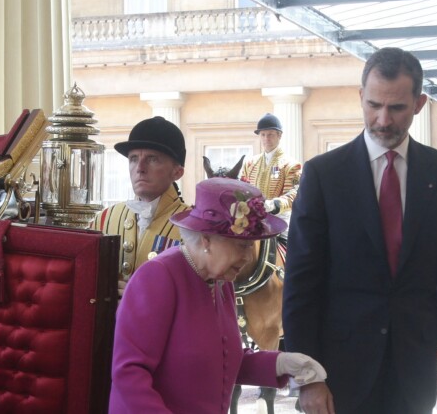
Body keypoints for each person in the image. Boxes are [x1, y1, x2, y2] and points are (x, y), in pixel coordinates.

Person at [283, 47, 437, 414]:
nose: (383, 119)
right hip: (338, 374)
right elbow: (301, 285)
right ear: (360, 97)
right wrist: (309, 377)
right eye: (373, 105)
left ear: (419, 103)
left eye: (397, 108)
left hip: (414, 371)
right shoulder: (324, 175)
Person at [109, 177, 327, 413]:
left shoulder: (221, 282)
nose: (247, 257)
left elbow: (221, 361)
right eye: (241, 246)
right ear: (206, 240)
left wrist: (281, 363)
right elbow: (129, 375)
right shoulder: (157, 277)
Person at [93, 116, 191, 297]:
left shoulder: (193, 225)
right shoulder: (104, 218)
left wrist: (143, 297)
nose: (140, 167)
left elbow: (201, 297)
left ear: (177, 172)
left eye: (152, 159)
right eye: (133, 159)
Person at [240, 113, 301, 223]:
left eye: (270, 134)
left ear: (279, 135)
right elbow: (242, 189)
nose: (266, 138)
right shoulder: (250, 164)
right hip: (252, 219)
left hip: (280, 219)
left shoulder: (291, 165)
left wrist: (273, 205)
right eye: (263, 134)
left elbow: (294, 193)